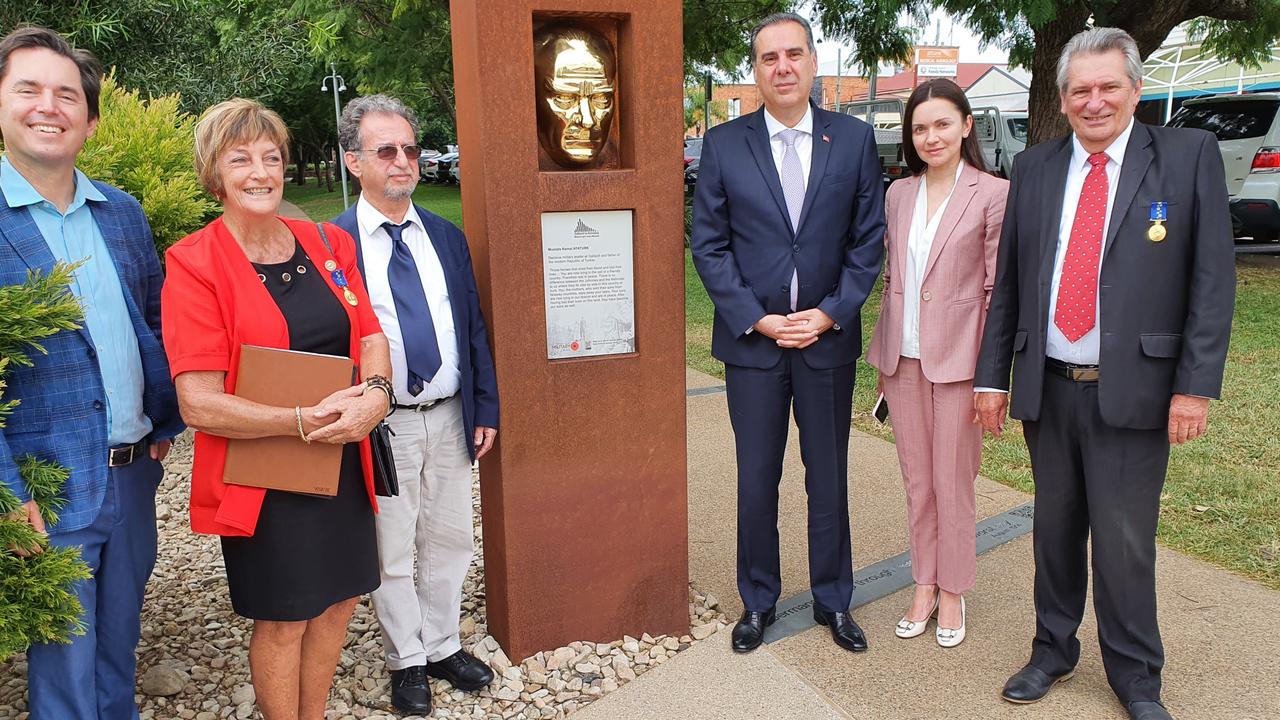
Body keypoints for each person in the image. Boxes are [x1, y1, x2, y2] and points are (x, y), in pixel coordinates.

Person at [973, 28, 1235, 720]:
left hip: (1138, 390)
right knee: (1053, 530)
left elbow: (1212, 280)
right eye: (1079, 89)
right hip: (1049, 384)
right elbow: (1012, 283)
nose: (1094, 102)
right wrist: (990, 376)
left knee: (1123, 541)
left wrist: (1194, 386)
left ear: (1136, 89)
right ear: (1062, 98)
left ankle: (1136, 676)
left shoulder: (1186, 156)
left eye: (1107, 87)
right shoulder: (1032, 168)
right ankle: (1052, 650)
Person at [160, 98, 392, 720]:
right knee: (286, 617)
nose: (260, 172)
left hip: (340, 460)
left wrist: (376, 395)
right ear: (216, 173)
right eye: (241, 159)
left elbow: (370, 335)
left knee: (341, 601)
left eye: (271, 157)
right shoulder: (194, 263)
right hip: (265, 476)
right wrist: (299, 421)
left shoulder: (326, 241)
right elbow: (199, 402)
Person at [0, 26, 182, 719]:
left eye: (66, 95)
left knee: (117, 649)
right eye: (29, 89)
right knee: (65, 672)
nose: (49, 106)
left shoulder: (123, 213)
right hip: (43, 490)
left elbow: (153, 322)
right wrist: (8, 493)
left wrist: (165, 419)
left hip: (134, 475)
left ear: (90, 118)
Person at [690, 12, 884, 654]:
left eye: (793, 54)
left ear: (812, 62)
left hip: (827, 342)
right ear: (755, 69)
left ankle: (834, 601)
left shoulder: (853, 141)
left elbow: (867, 242)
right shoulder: (723, 145)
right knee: (756, 478)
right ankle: (758, 601)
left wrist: (830, 313)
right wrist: (758, 316)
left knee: (827, 478)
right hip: (754, 346)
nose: (782, 67)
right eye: (769, 57)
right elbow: (710, 246)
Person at [333, 94, 499, 715]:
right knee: (393, 546)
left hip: (453, 415)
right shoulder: (334, 244)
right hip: (385, 425)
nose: (402, 161)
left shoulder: (446, 237)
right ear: (355, 162)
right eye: (385, 150)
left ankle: (444, 644)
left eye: (409, 148)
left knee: (452, 538)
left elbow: (472, 328)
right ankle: (407, 659)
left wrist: (486, 407)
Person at [866, 78, 1007, 648]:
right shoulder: (899, 194)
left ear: (967, 126)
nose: (931, 137)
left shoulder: (993, 193)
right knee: (916, 482)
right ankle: (923, 582)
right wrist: (882, 355)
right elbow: (895, 279)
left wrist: (993, 378)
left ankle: (953, 590)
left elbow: (998, 290)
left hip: (962, 365)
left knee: (954, 484)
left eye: (943, 124)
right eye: (920, 128)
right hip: (902, 359)